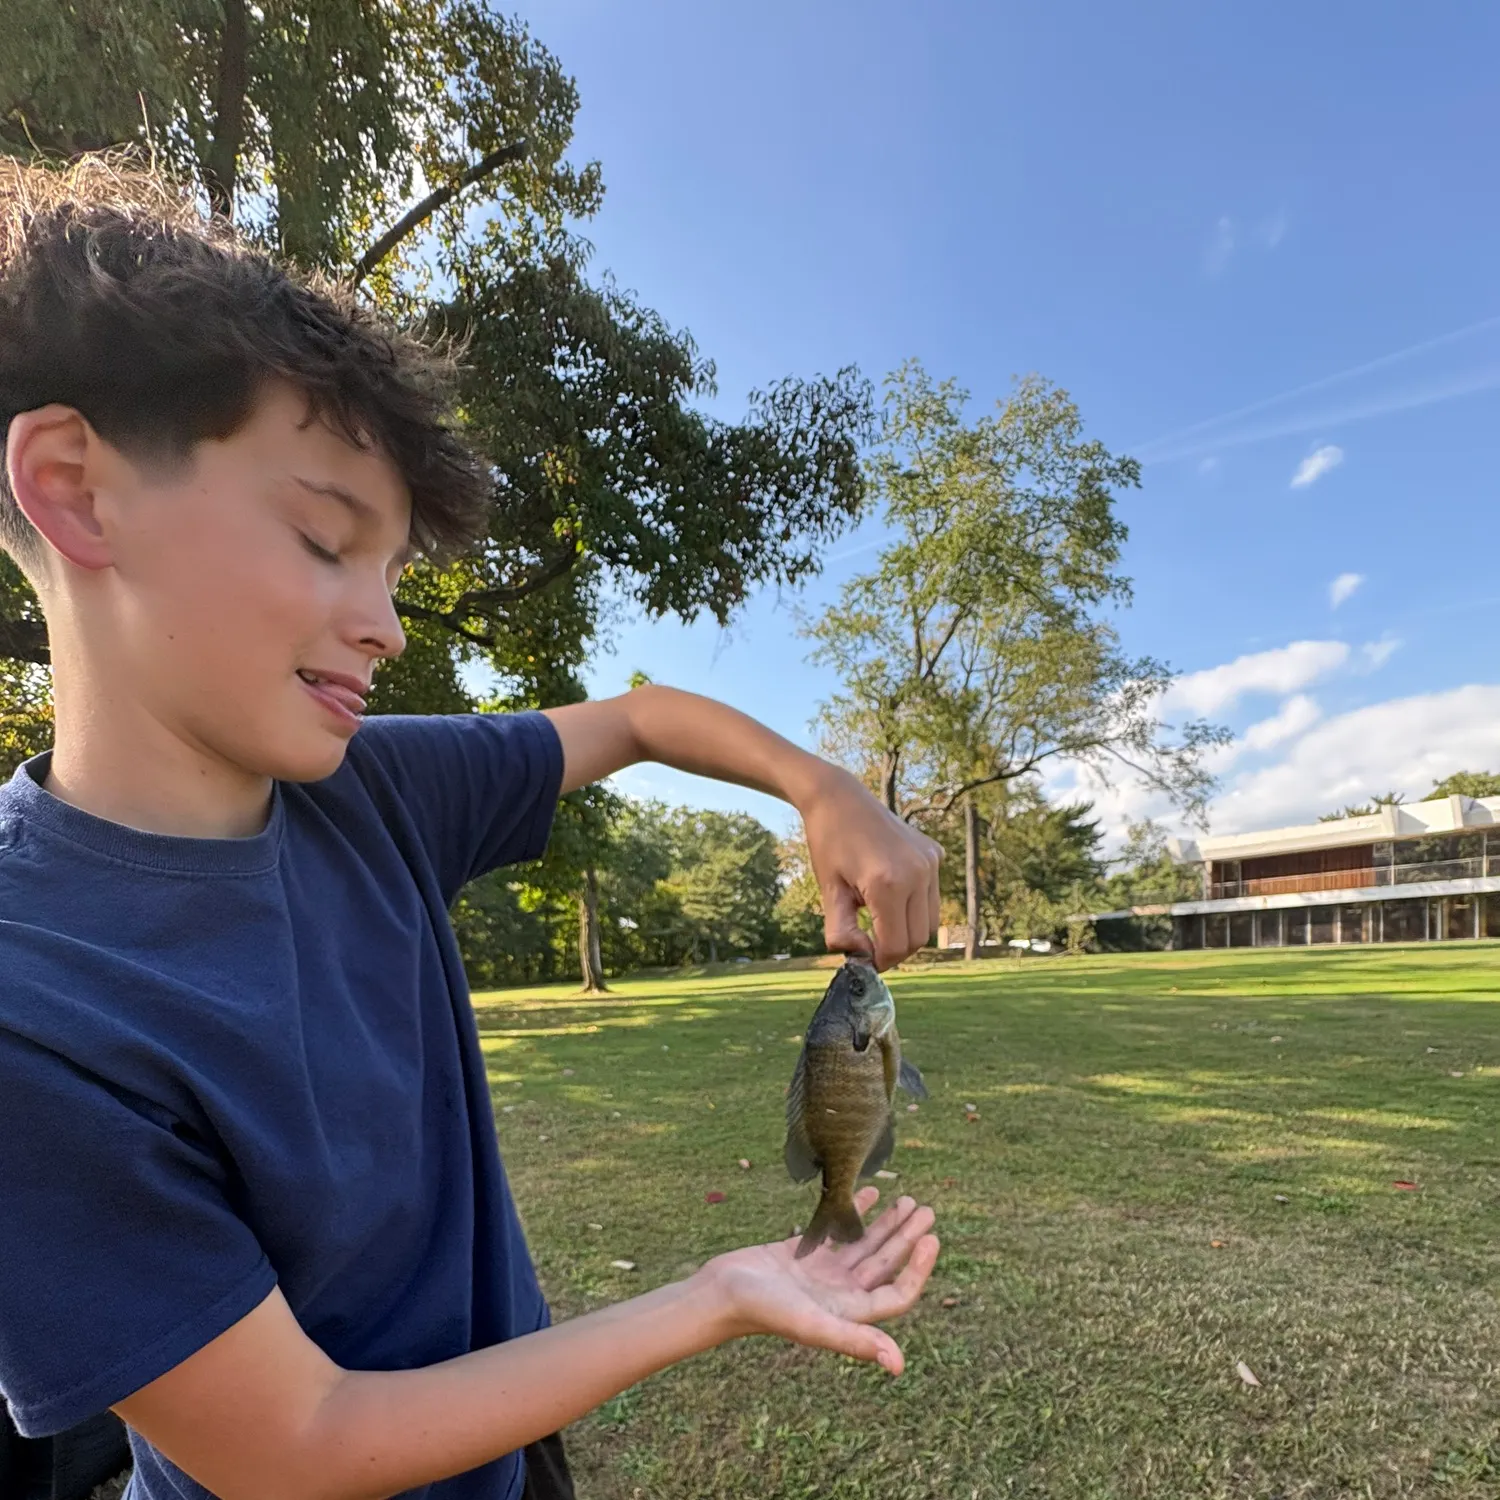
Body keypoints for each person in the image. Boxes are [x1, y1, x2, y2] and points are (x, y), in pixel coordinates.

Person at [0, 154, 942, 1500]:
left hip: (509, 1458)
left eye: (392, 570)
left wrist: (824, 787)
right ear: (77, 489)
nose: (383, 622)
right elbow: (299, 1443)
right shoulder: (28, 1002)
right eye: (328, 542)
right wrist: (712, 1297)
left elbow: (638, 718)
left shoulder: (370, 791)